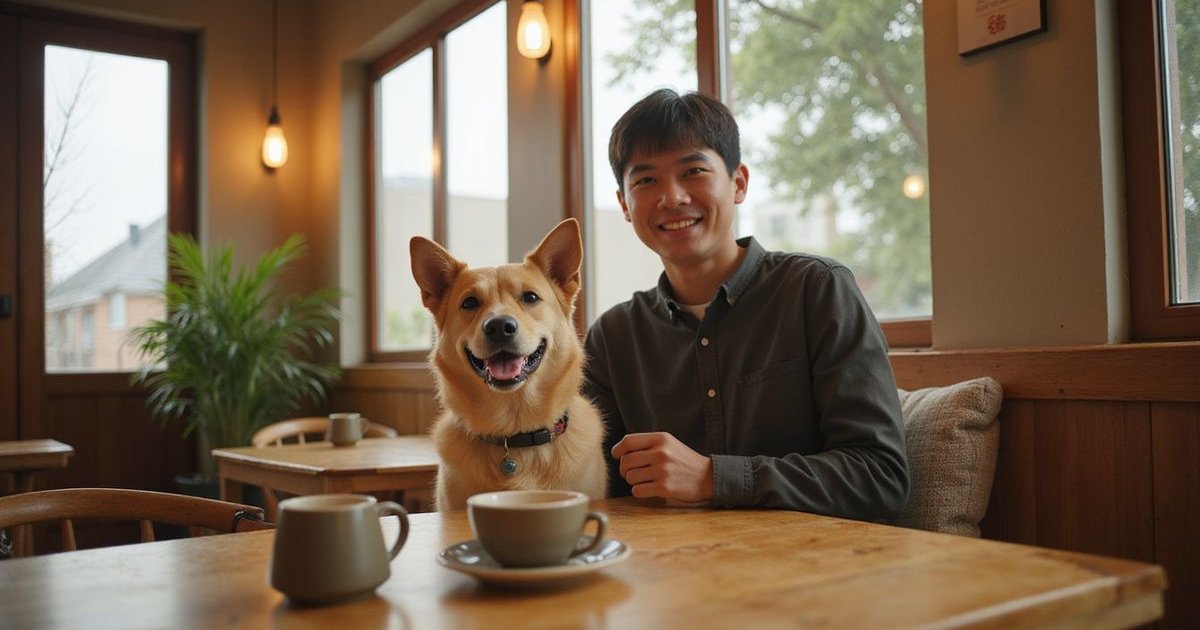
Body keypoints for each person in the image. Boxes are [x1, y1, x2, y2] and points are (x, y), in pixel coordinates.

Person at [582, 88, 909, 521]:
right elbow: (594, 486)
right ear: (624, 204)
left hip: (818, 568)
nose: (673, 197)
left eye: (693, 170)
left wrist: (711, 478)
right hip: (668, 572)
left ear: (738, 184)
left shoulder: (817, 291)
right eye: (645, 180)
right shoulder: (613, 337)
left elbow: (880, 478)